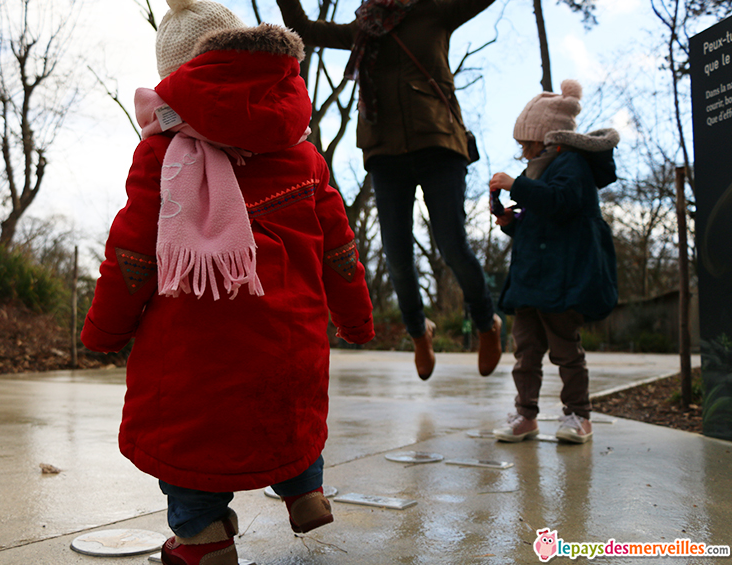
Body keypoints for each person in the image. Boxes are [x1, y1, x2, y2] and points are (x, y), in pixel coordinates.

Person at [81, 1, 374, 563]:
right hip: (293, 344)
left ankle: (203, 539)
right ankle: (305, 491)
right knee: (291, 414)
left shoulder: (162, 156)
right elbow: (340, 253)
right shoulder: (304, 156)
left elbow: (132, 257)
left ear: (175, 78)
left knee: (192, 445)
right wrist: (357, 319)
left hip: (194, 357)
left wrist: (103, 331)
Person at [276, 0, 503, 380]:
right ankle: (419, 332)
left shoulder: (436, 12)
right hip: (384, 151)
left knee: (451, 243)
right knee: (396, 254)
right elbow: (304, 28)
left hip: (438, 143)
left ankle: (486, 323)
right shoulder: (362, 28)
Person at [488, 80, 619, 444]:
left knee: (566, 350)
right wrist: (512, 222)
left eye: (526, 144)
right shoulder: (542, 168)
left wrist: (515, 185)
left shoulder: (572, 164)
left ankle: (579, 415)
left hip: (562, 280)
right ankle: (525, 414)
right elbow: (542, 218)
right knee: (525, 352)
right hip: (532, 279)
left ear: (545, 138)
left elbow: (561, 202)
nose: (523, 153)